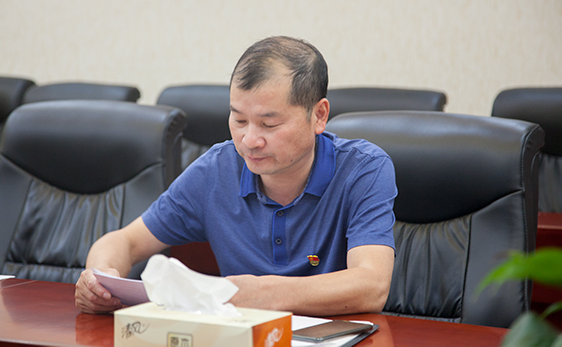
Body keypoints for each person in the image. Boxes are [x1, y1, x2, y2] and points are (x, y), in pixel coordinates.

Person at [75, 36, 397, 316]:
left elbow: (372, 285)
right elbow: (125, 241)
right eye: (239, 120)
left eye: (269, 124)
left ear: (319, 115)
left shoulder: (364, 169)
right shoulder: (216, 170)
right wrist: (99, 278)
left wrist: (267, 293)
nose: (250, 141)